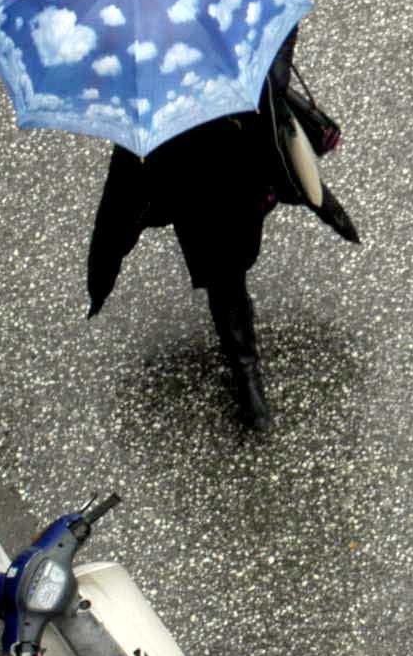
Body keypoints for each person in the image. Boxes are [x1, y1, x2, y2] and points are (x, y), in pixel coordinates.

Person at [85, 30, 356, 432]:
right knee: (225, 274)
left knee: (231, 264)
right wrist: (103, 269)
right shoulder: (145, 66)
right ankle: (246, 375)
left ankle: (247, 377)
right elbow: (124, 191)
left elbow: (278, 47)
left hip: (243, 162)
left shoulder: (205, 25)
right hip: (198, 185)